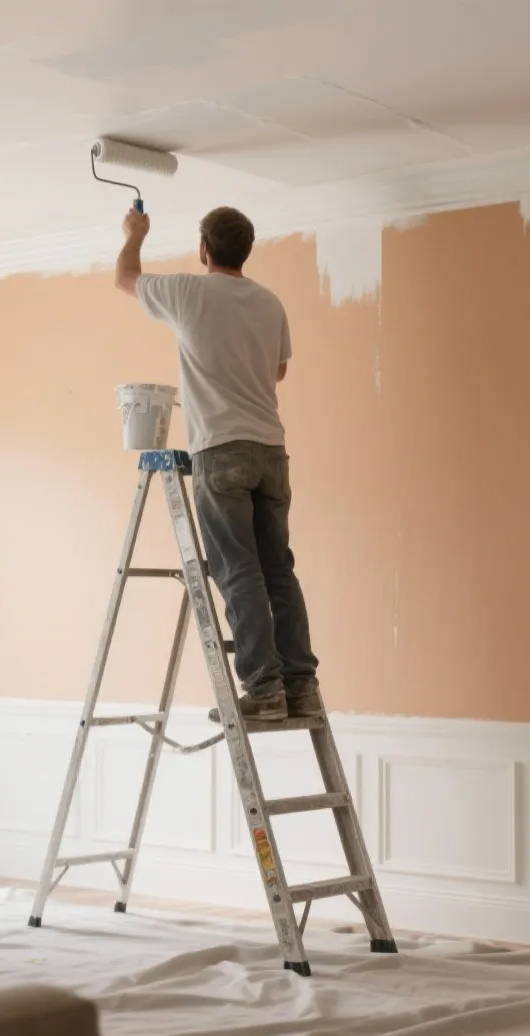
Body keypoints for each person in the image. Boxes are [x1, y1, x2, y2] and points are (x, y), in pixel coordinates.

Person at [113, 205, 319, 721]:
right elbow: (279, 371)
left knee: (237, 569)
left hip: (221, 449)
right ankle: (301, 684)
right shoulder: (270, 302)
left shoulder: (189, 292)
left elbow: (125, 278)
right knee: (279, 570)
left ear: (205, 249)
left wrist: (134, 234)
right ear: (245, 250)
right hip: (271, 451)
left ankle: (264, 690)